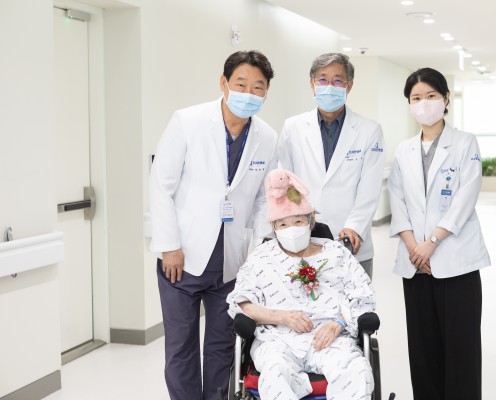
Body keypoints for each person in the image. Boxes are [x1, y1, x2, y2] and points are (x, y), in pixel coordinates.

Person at [149, 50, 277, 400]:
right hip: (182, 258)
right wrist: (169, 245)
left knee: (224, 346)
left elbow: (264, 199)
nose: (249, 93)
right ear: (223, 83)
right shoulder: (187, 121)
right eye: (241, 84)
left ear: (266, 92)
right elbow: (161, 185)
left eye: (258, 87)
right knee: (181, 346)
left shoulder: (267, 137)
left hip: (232, 262)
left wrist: (262, 250)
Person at [227, 168, 376, 400]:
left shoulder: (337, 253)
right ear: (274, 228)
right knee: (275, 375)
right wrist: (283, 317)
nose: (291, 229)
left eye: (297, 221)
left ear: (310, 221)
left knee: (357, 372)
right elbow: (243, 304)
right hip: (278, 340)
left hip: (331, 338)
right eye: (282, 225)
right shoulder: (262, 257)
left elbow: (363, 296)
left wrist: (338, 323)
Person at [388, 67, 491, 400]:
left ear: (446, 99)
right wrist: (414, 248)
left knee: (461, 350)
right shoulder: (404, 150)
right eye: (416, 98)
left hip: (455, 261)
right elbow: (397, 200)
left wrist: (431, 243)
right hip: (416, 264)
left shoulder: (464, 143)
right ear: (409, 104)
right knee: (423, 351)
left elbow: (465, 197)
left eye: (431, 96)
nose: (424, 103)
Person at [277, 52, 385, 279]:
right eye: (323, 79)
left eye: (337, 81)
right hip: (303, 239)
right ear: (312, 83)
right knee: (305, 300)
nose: (329, 86)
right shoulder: (293, 127)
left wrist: (355, 226)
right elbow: (286, 182)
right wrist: (296, 223)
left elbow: (369, 189)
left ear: (349, 86)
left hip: (351, 241)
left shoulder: (369, 130)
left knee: (355, 300)